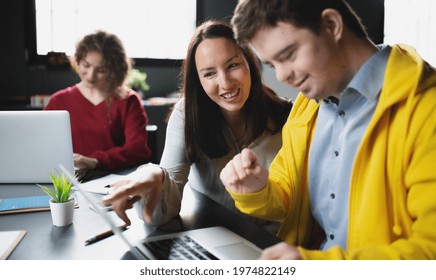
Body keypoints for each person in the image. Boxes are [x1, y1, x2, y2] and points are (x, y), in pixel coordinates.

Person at [220, 0, 436, 259]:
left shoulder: (427, 110)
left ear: (332, 25)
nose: (281, 76)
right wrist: (257, 189)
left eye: (288, 55)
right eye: (271, 64)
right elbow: (290, 195)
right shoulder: (307, 105)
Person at [101, 20, 292, 234]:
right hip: (214, 236)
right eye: (209, 73)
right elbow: (160, 214)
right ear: (198, 80)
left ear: (250, 63)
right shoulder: (187, 114)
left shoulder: (289, 116)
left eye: (233, 65)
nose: (226, 83)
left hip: (274, 245)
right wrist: (154, 174)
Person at [44, 31, 151, 178]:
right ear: (77, 62)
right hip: (67, 180)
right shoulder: (58, 101)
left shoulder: (129, 100)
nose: (91, 75)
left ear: (114, 70)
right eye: (86, 65)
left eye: (101, 69)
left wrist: (94, 161)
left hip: (115, 180)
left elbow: (137, 149)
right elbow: (43, 146)